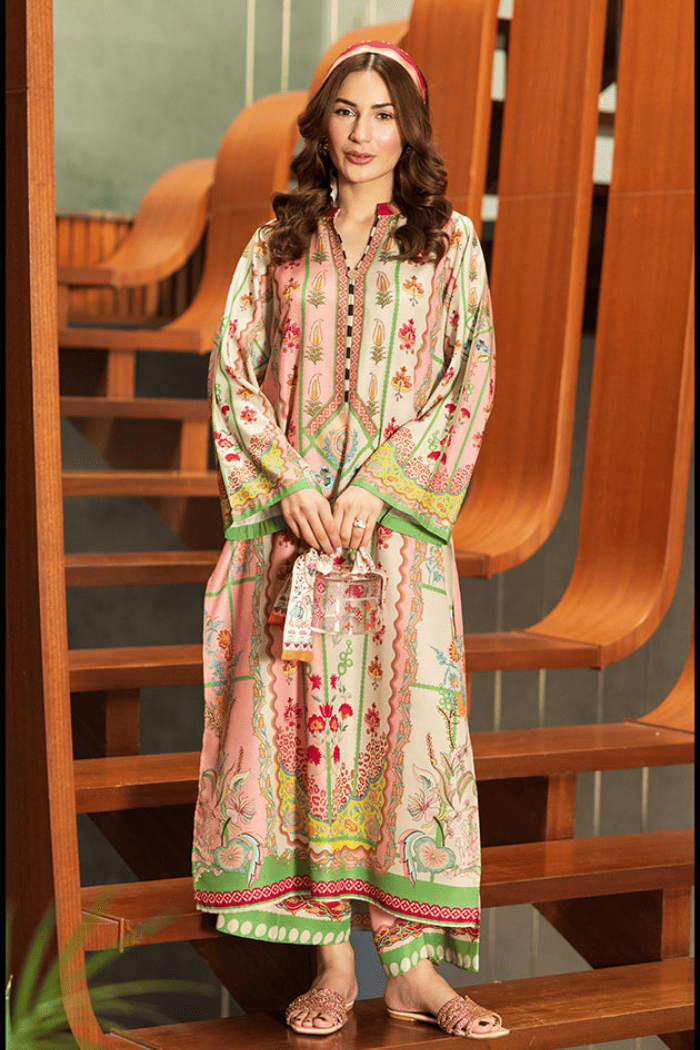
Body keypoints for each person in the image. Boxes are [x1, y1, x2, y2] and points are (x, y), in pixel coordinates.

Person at [192, 40, 507, 1039]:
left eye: (382, 115)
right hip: (294, 544)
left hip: (396, 545)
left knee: (402, 747)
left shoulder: (447, 242)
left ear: (406, 128)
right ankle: (334, 964)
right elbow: (234, 378)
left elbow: (469, 377)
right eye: (346, 113)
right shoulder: (272, 248)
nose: (363, 134)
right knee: (303, 736)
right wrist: (288, 487)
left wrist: (377, 488)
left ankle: (411, 973)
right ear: (320, 125)